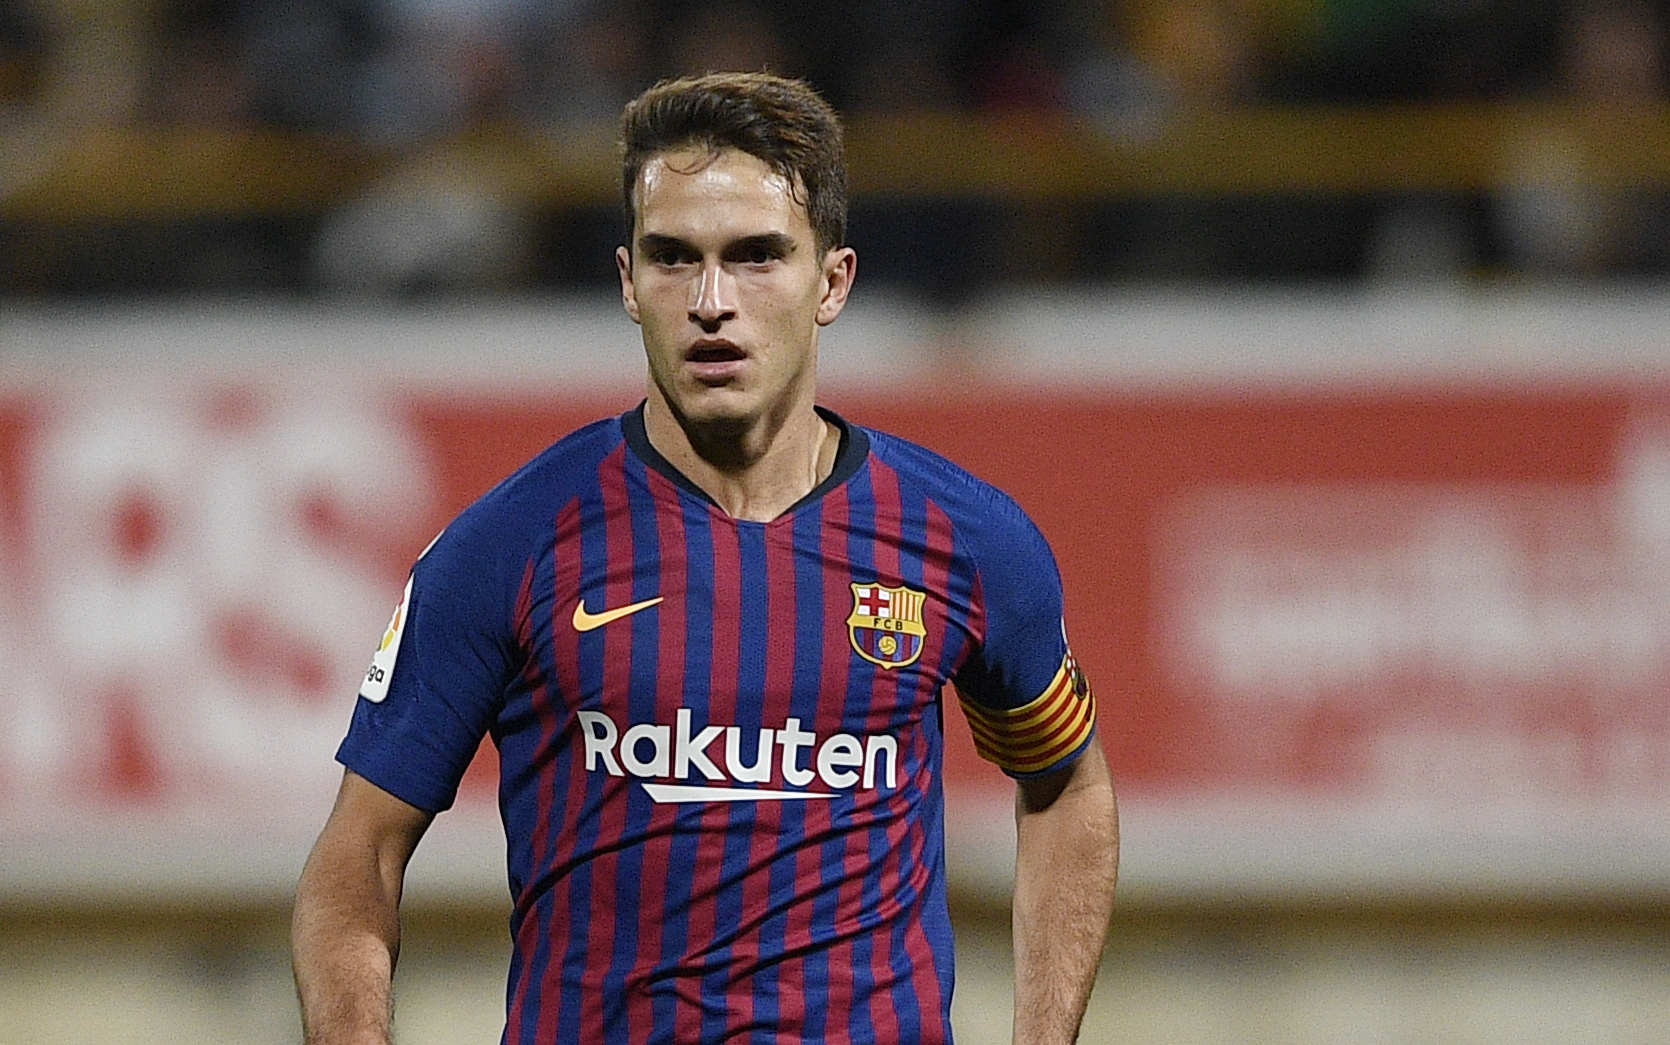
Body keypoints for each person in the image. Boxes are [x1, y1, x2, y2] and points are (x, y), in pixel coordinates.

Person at [291, 71, 1118, 1045]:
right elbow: (357, 855)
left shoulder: (966, 541)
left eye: (757, 255)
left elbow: (1068, 786)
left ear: (832, 283)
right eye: (674, 258)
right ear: (628, 283)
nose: (712, 301)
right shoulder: (507, 545)